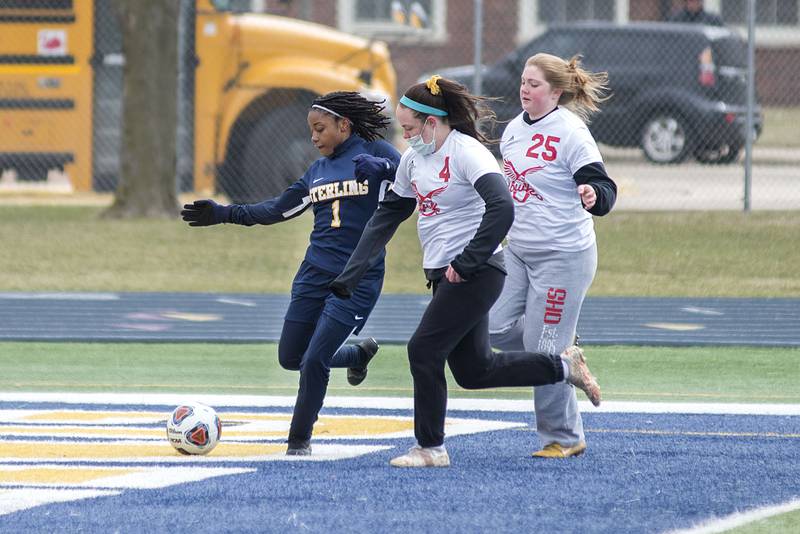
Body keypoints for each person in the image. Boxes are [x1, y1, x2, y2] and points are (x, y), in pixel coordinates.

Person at [330, 75, 602, 468]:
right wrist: (349, 275)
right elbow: (387, 216)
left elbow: (502, 207)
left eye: (409, 128)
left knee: (423, 349)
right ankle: (563, 365)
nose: (405, 138)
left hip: (479, 271)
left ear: (432, 121)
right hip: (445, 274)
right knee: (475, 371)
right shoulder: (413, 159)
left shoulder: (466, 152)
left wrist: (468, 260)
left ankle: (430, 448)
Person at [181, 91, 401, 456]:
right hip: (312, 275)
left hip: (357, 280)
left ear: (344, 125)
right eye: (311, 130)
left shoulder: (379, 154)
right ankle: (356, 355)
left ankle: (299, 440)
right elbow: (275, 210)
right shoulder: (316, 171)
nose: (313, 137)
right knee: (291, 357)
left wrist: (390, 171)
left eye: (320, 129)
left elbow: (419, 180)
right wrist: (222, 213)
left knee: (314, 360)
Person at [488, 53, 617, 459]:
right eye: (524, 82)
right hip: (519, 251)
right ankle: (563, 347)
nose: (525, 90)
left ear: (556, 91)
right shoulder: (512, 132)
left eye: (534, 84)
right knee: (488, 326)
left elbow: (603, 187)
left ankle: (563, 437)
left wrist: (593, 195)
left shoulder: (571, 132)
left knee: (543, 350)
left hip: (563, 256)